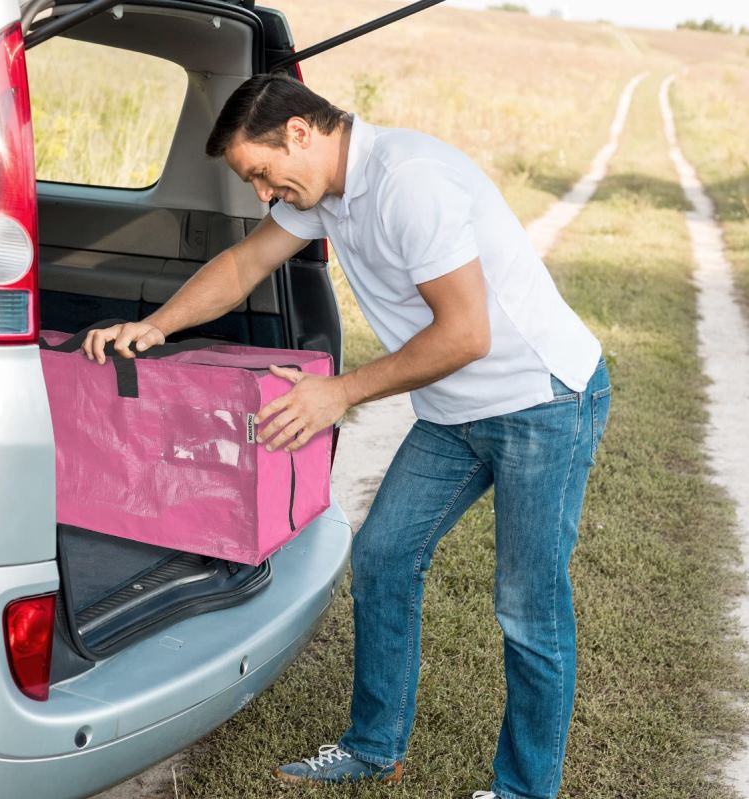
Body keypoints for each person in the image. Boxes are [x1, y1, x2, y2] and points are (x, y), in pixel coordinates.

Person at [82, 73, 611, 799]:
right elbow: (243, 264)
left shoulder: (407, 182)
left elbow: (466, 334)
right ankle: (373, 746)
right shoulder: (324, 191)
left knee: (527, 606)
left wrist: (339, 392)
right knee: (384, 557)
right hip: (454, 412)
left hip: (541, 401)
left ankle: (525, 789)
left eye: (262, 173)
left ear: (300, 132)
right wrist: (154, 326)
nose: (262, 194)